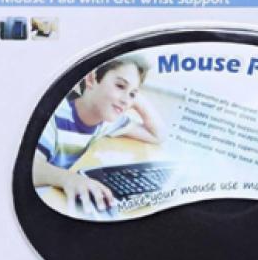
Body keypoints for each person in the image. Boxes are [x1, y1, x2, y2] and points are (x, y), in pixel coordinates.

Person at [32, 55, 164, 212]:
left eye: (132, 95)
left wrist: (136, 99)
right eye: (120, 86)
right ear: (91, 79)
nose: (126, 101)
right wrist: (69, 178)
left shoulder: (108, 122)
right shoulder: (55, 116)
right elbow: (31, 168)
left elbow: (157, 135)